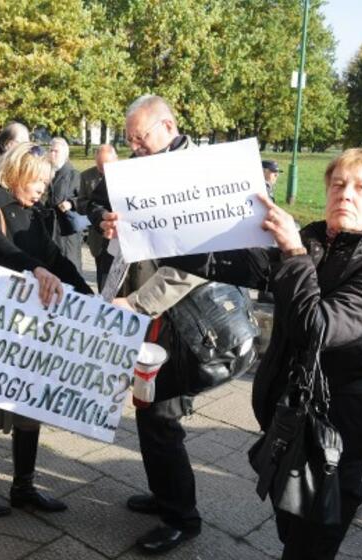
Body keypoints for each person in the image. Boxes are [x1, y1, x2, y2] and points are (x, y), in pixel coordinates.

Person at [250, 148, 362, 559]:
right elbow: (242, 266)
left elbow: (315, 326)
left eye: (360, 187)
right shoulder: (316, 238)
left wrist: (294, 254)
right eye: (338, 184)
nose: (346, 195)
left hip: (337, 422)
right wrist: (146, 237)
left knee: (314, 537)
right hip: (291, 410)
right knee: (289, 516)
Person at [94, 95, 211, 555]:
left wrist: (139, 303)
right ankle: (165, 495)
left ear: (167, 125)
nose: (135, 148)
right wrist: (113, 227)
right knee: (148, 412)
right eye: (130, 141)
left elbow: (196, 263)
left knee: (162, 417)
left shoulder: (197, 175)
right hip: (143, 310)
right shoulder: (147, 171)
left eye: (140, 139)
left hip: (174, 318)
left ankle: (182, 518)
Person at [0, 141, 92, 518]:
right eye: (39, 181)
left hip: (29, 333)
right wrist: (34, 269)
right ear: (19, 174)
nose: (43, 189)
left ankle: (24, 488)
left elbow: (57, 260)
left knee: (31, 410)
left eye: (47, 182)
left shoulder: (34, 215)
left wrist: (92, 297)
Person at [79, 144, 118, 290]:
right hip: (98, 237)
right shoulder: (86, 176)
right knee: (103, 280)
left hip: (122, 239)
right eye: (99, 166)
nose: (103, 170)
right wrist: (96, 211)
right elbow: (82, 204)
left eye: (106, 165)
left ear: (116, 159)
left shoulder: (127, 173)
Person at [46, 137, 84, 273]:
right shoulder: (48, 173)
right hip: (50, 230)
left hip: (67, 232)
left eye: (56, 151)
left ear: (65, 154)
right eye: (50, 150)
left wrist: (71, 203)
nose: (52, 154)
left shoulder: (74, 175)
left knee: (70, 268)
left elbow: (85, 199)